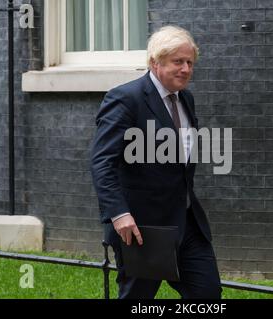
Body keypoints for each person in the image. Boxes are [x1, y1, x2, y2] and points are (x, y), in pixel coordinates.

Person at [90, 25, 221, 299]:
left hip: (187, 224)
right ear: (154, 62)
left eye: (190, 62)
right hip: (142, 228)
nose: (186, 69)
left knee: (207, 294)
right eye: (178, 62)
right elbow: (103, 163)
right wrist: (119, 214)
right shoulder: (125, 99)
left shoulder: (186, 99)